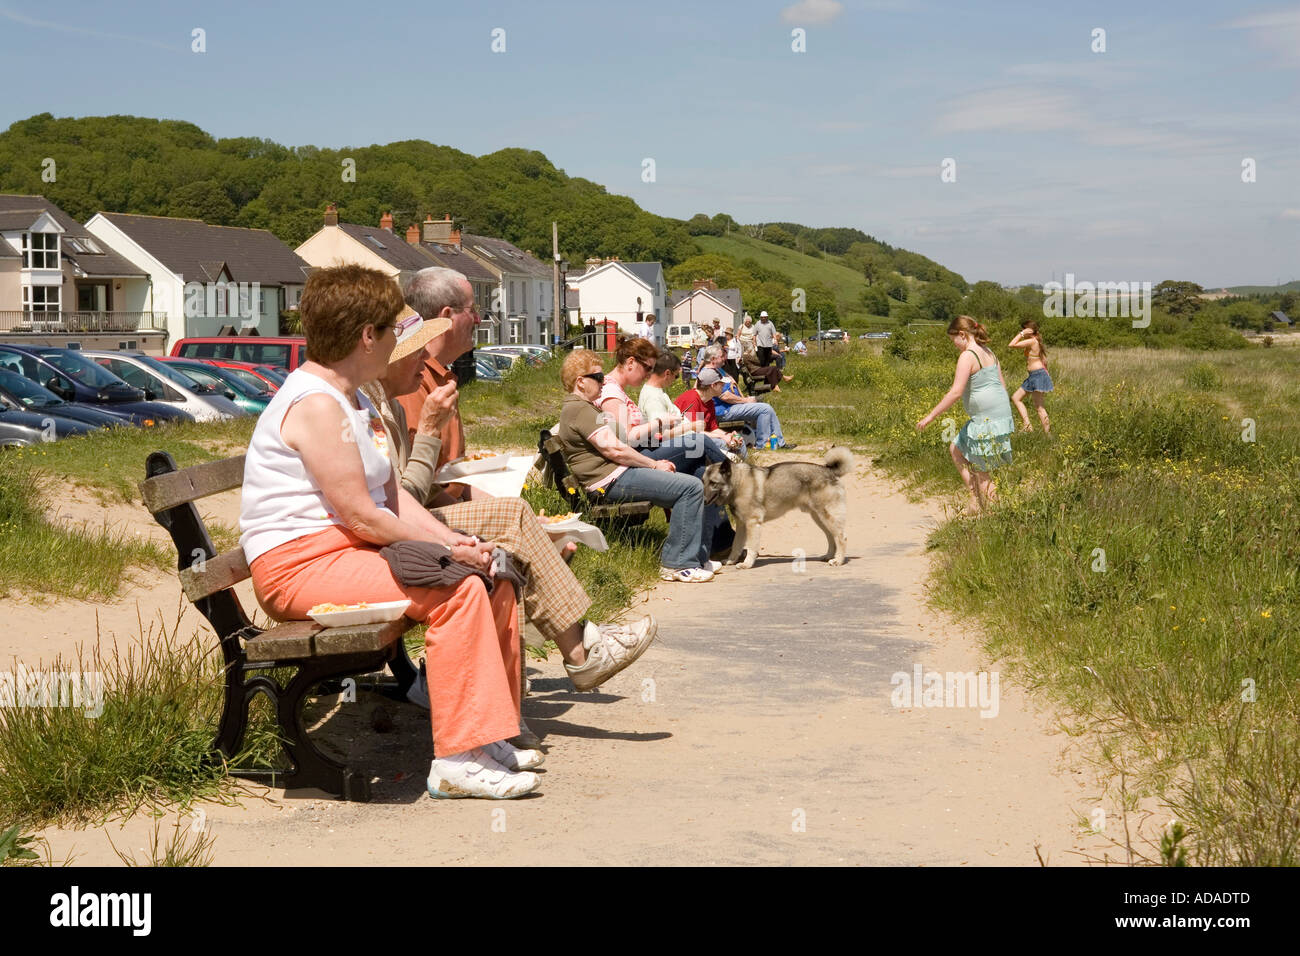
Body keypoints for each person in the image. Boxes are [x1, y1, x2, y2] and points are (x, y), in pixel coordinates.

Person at [239, 264, 539, 800]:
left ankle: (486, 734)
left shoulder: (349, 398)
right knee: (458, 588)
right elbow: (361, 516)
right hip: (299, 567)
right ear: (366, 336)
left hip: (340, 555)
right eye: (394, 330)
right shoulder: (315, 404)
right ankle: (456, 759)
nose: (406, 343)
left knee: (492, 573)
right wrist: (447, 552)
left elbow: (392, 498)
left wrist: (460, 544)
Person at [359, 281, 658, 698]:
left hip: (399, 525)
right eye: (410, 347)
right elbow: (402, 499)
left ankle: (520, 685)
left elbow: (417, 493)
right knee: (510, 535)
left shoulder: (390, 396)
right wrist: (429, 435)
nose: (419, 356)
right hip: (378, 542)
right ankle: (576, 652)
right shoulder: (382, 401)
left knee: (515, 534)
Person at [557, 349, 718, 583]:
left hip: (615, 475)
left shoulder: (582, 407)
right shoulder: (580, 410)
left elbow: (617, 446)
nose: (604, 383)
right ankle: (677, 564)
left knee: (698, 474)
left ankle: (697, 556)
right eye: (599, 378)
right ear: (580, 382)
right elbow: (615, 450)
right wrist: (654, 465)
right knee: (691, 487)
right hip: (611, 482)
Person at [915, 315, 1015, 515]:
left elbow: (955, 392)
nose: (954, 345)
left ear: (962, 335)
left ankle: (997, 513)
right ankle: (975, 499)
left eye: (953, 340)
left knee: (981, 470)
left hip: (985, 419)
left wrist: (930, 416)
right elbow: (1002, 386)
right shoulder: (990, 353)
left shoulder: (968, 355)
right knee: (956, 449)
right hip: (1000, 416)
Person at [638, 350, 745, 456]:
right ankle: (736, 468)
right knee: (712, 443)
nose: (675, 380)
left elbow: (710, 428)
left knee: (736, 442)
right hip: (678, 443)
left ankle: (737, 466)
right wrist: (692, 427)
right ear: (667, 373)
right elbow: (662, 435)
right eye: (676, 376)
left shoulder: (658, 391)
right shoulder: (654, 398)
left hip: (688, 438)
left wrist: (727, 435)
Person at [699, 345, 796, 450]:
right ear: (713, 359)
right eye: (721, 356)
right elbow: (724, 396)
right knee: (765, 409)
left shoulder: (718, 370)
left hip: (731, 407)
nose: (724, 358)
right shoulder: (708, 373)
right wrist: (746, 400)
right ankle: (761, 445)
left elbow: (733, 383)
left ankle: (778, 442)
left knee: (767, 408)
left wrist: (742, 397)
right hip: (724, 411)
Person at [1008, 319, 1052, 433]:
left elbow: (1011, 344)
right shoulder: (1035, 341)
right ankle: (1027, 426)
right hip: (1034, 376)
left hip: (1037, 376)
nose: (1021, 331)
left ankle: (1048, 436)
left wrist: (1021, 334)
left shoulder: (1032, 341)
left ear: (1028, 330)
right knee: (1016, 398)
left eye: (1023, 329)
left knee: (1039, 407)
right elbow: (1044, 360)